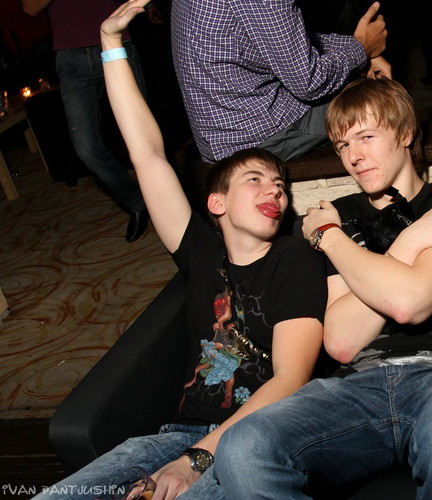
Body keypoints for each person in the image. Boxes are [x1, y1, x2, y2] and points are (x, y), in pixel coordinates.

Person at [33, 2, 327, 498]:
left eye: (280, 185)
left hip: (255, 440)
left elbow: (290, 380)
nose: (274, 191)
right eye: (255, 180)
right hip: (175, 438)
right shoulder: (200, 253)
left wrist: (197, 460)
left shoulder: (294, 258)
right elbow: (146, 152)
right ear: (217, 202)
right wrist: (110, 44)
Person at [178, 77, 432, 498]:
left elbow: (411, 303)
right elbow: (342, 341)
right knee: (244, 445)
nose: (354, 157)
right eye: (343, 145)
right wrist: (409, 239)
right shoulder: (340, 216)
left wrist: (332, 238)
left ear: (406, 133)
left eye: (366, 137)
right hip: (354, 385)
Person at [171, 0, 390, 164]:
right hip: (255, 136)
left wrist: (359, 46)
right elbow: (309, 83)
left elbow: (281, 40)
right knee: (383, 98)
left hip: (221, 133)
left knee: (365, 81)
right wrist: (361, 49)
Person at [21, 0, 151, 242]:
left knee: (143, 137)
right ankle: (136, 201)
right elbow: (30, 7)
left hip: (116, 41)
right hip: (70, 57)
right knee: (87, 148)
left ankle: (167, 202)